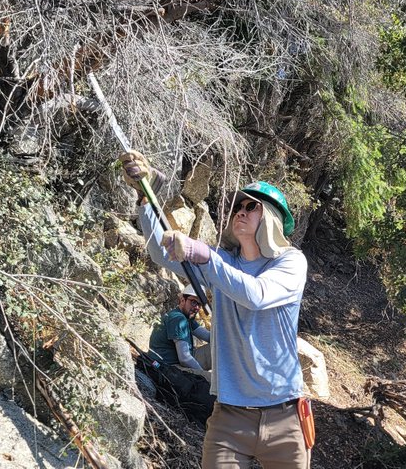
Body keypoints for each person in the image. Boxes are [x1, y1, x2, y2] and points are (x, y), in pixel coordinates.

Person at [122, 150, 312, 469]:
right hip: (229, 418)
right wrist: (145, 196)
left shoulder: (290, 262)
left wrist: (204, 257)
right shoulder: (223, 261)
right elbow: (160, 252)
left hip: (286, 419)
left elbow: (257, 294)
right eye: (239, 205)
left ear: (273, 217)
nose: (241, 211)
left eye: (252, 206)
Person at [147, 284, 212, 373]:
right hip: (170, 367)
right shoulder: (178, 319)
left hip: (180, 360)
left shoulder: (187, 317)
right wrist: (203, 374)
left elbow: (209, 337)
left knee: (220, 348)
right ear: (182, 300)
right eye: (194, 302)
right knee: (214, 383)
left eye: (199, 304)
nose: (197, 307)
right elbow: (184, 358)